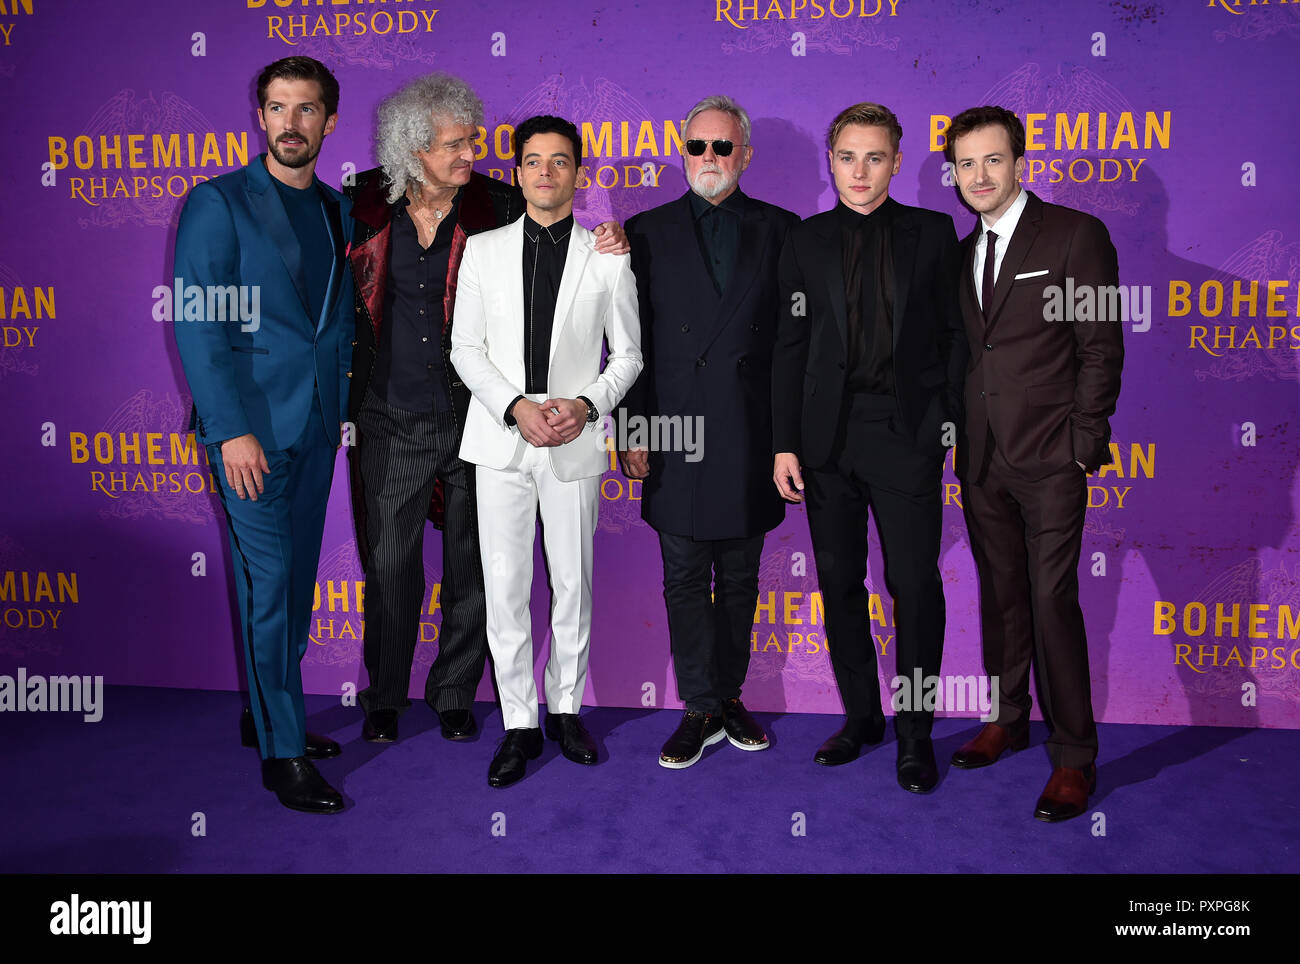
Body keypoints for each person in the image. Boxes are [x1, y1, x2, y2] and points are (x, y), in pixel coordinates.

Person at [345, 74, 627, 745]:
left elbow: (555, 246)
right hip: (388, 413)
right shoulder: (360, 206)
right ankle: (385, 696)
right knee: (389, 565)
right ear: (414, 150)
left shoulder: (497, 204)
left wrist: (608, 240)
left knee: (476, 567)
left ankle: (452, 695)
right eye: (454, 145)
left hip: (476, 415)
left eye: (470, 140)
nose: (470, 154)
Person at [173, 56, 352, 813]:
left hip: (316, 428)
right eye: (276, 108)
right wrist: (230, 431)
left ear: (328, 122)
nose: (289, 123)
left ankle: (263, 713)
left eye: (306, 109)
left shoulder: (340, 210)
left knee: (297, 581)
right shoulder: (219, 203)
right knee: (272, 585)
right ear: (260, 118)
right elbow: (198, 322)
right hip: (248, 434)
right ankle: (283, 752)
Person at [772, 102, 967, 794]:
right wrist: (784, 444)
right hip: (825, 442)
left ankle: (916, 734)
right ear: (831, 160)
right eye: (848, 156)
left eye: (875, 157)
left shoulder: (934, 233)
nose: (860, 170)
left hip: (906, 435)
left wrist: (943, 425)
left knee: (914, 588)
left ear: (896, 160)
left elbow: (955, 342)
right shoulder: (805, 240)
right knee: (840, 584)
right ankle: (863, 719)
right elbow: (788, 348)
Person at [450, 115, 642, 788]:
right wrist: (516, 408)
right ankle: (518, 722)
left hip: (574, 439)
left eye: (560, 162)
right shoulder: (482, 249)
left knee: (573, 584)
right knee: (504, 590)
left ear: (579, 174)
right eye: (533, 161)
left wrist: (586, 406)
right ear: (518, 169)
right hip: (502, 440)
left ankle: (565, 708)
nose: (545, 173)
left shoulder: (608, 254)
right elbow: (463, 351)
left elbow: (630, 356)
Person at [944, 105, 1123, 822]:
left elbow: (1100, 346)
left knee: (1051, 602)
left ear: (1019, 163)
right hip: (983, 459)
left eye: (992, 160)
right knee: (1002, 595)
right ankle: (1010, 718)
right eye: (965, 164)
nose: (979, 175)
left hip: (1052, 459)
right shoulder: (964, 251)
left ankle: (1074, 756)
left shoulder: (1076, 235)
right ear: (953, 173)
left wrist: (1082, 446)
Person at [619, 95, 796, 769]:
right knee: (685, 577)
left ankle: (727, 697)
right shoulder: (643, 231)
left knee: (742, 580)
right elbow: (629, 346)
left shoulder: (784, 230)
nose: (710, 159)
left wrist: (788, 440)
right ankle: (698, 704)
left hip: (750, 435)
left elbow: (791, 347)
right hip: (673, 433)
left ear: (744, 155)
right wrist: (632, 427)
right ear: (681, 149)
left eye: (724, 147)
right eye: (698, 146)